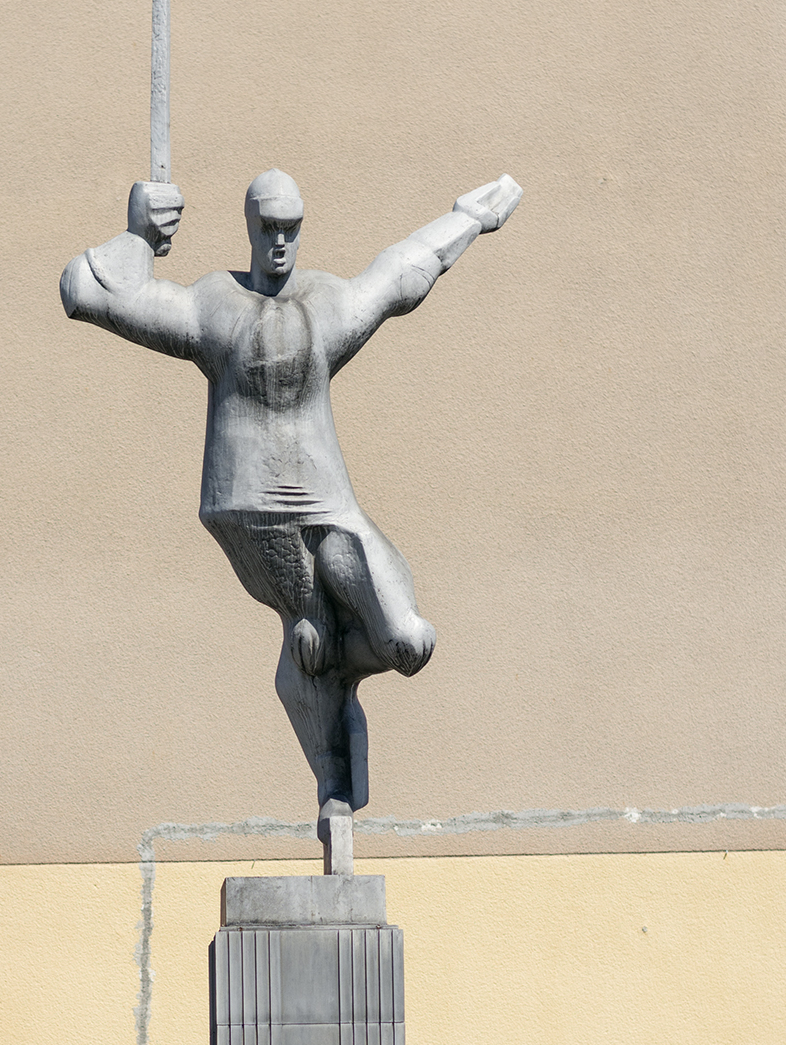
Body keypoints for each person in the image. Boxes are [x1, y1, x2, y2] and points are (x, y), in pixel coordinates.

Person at [61, 165, 522, 850]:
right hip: (250, 516)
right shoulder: (216, 307)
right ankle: (324, 686)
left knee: (408, 642)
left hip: (328, 510)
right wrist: (137, 237)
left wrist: (469, 219)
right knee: (314, 641)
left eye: (292, 228)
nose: (280, 242)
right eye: (269, 227)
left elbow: (400, 274)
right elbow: (87, 293)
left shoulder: (324, 306)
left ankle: (334, 666)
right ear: (251, 227)